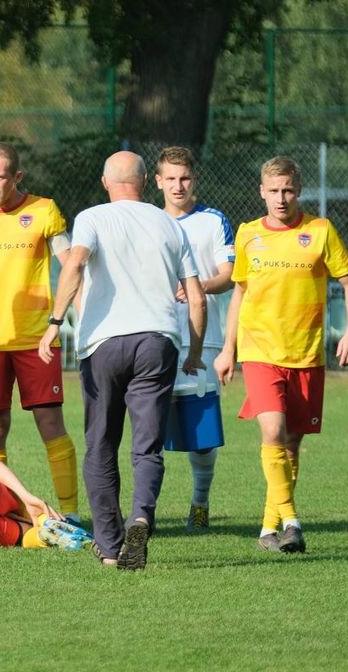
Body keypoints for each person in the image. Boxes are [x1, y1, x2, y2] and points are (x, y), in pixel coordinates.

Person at [38, 151, 203, 571]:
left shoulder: (92, 217)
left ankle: (110, 547)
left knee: (101, 444)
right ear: (146, 182)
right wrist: (197, 351)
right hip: (157, 339)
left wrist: (55, 322)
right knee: (147, 446)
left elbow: (74, 264)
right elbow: (196, 296)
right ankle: (142, 515)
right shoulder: (169, 222)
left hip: (103, 344)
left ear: (105, 181)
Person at [214, 155, 348, 555]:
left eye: (288, 191)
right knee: (273, 431)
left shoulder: (320, 231)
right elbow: (239, 292)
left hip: (307, 354)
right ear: (261, 192)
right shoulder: (247, 234)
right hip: (259, 351)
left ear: (299, 191)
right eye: (274, 191)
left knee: (291, 445)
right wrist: (228, 349)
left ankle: (267, 529)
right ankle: (293, 521)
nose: (281, 199)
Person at [0, 141, 82, 523]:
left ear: (17, 176)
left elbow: (70, 266)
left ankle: (71, 513)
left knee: (50, 423)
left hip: (37, 340)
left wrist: (73, 318)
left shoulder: (44, 210)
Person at [155, 146, 234, 532]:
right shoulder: (149, 220)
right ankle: (145, 510)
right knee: (147, 427)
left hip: (203, 339)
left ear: (194, 179)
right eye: (170, 179)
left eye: (184, 178)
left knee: (201, 435)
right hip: (153, 336)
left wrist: (196, 286)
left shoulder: (213, 220)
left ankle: (200, 502)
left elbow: (228, 274)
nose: (178, 186)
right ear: (158, 182)